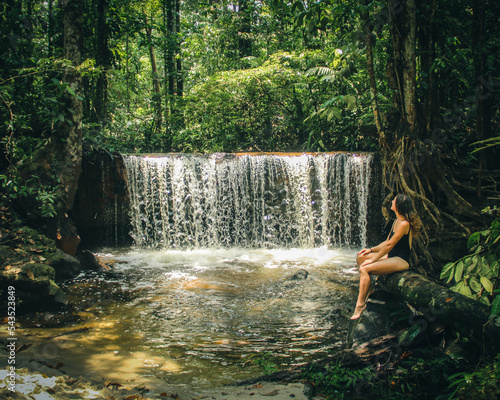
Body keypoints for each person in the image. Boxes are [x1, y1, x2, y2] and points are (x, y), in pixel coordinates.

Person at [350, 194, 421, 320]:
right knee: (361, 257)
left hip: (401, 260)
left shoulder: (405, 224)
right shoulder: (396, 221)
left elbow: (390, 245)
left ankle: (360, 305)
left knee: (364, 269)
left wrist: (373, 259)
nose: (392, 201)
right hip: (391, 256)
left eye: (394, 200)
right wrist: (370, 250)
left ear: (398, 205)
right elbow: (386, 242)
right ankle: (369, 290)